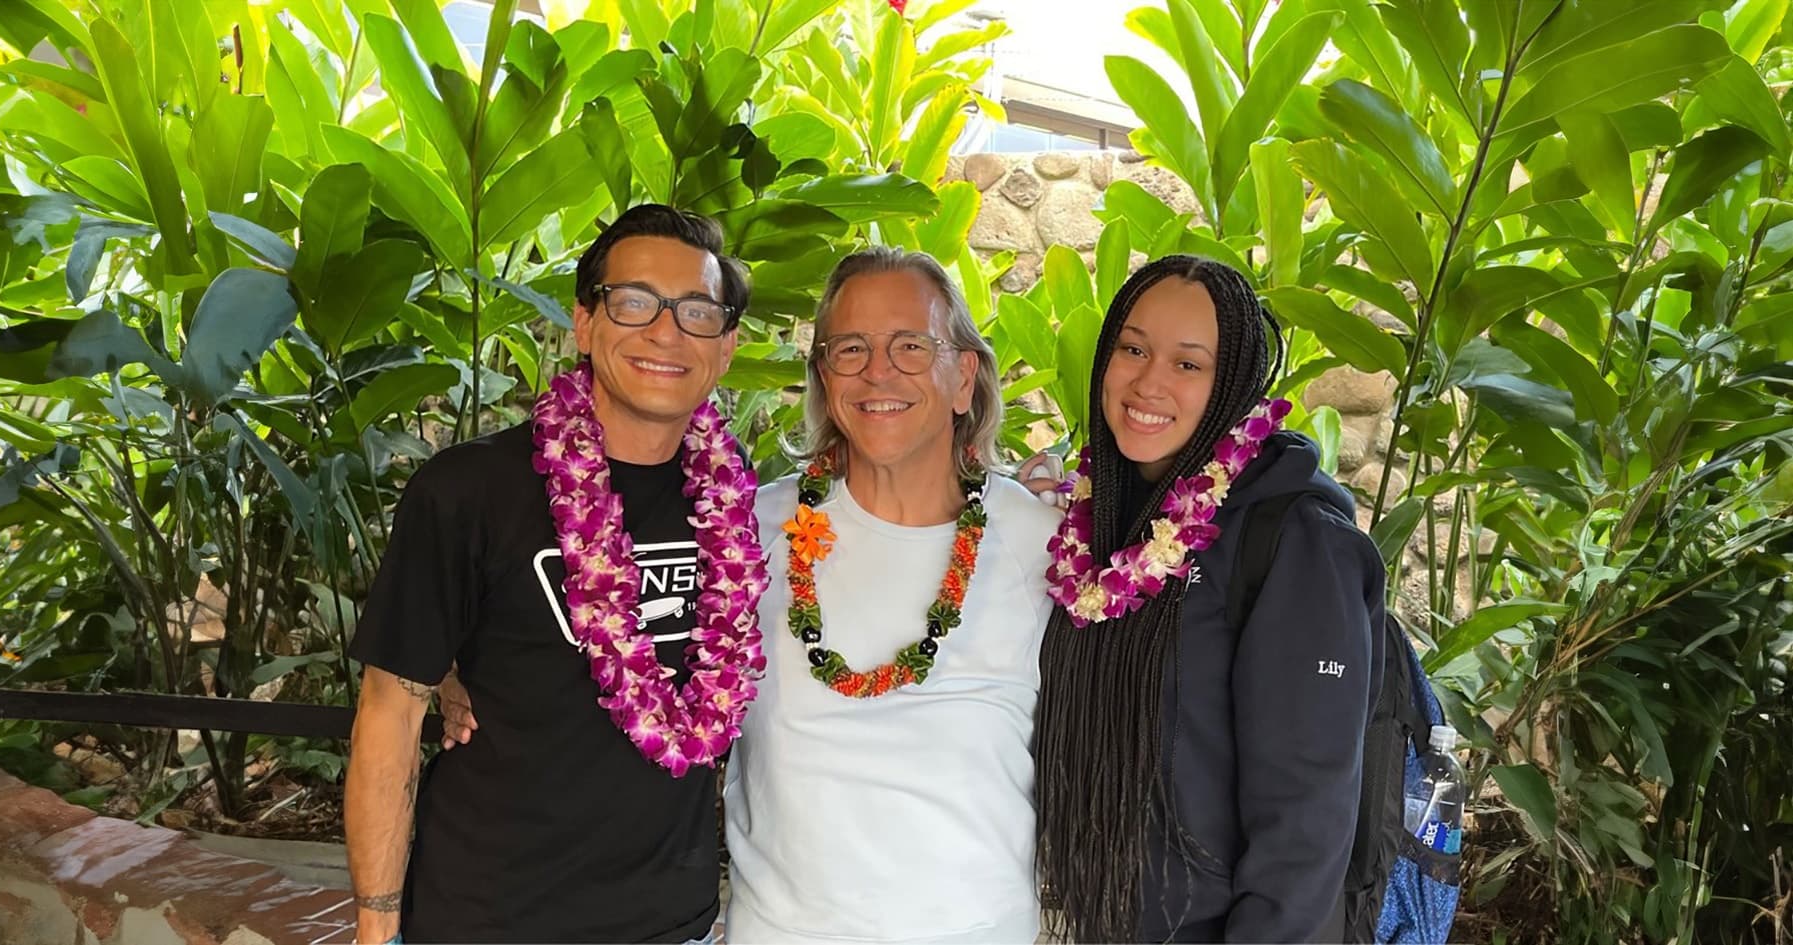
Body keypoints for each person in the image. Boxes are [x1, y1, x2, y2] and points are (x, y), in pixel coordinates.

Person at [343, 203, 766, 945]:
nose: (665, 332)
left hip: (673, 926)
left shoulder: (741, 509)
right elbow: (389, 710)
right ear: (585, 322)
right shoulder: (468, 490)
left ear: (725, 345)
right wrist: (377, 928)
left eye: (696, 310)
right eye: (635, 302)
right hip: (486, 921)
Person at [1030, 255, 1386, 943]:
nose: (1148, 382)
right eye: (1132, 348)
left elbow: (1304, 819)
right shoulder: (1096, 515)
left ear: (1233, 384)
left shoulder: (1293, 538)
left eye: (1188, 364)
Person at [722, 247, 1061, 943]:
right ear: (823, 375)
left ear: (963, 376)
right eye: (850, 348)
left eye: (911, 345)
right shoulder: (747, 531)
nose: (879, 371)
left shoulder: (1046, 541)